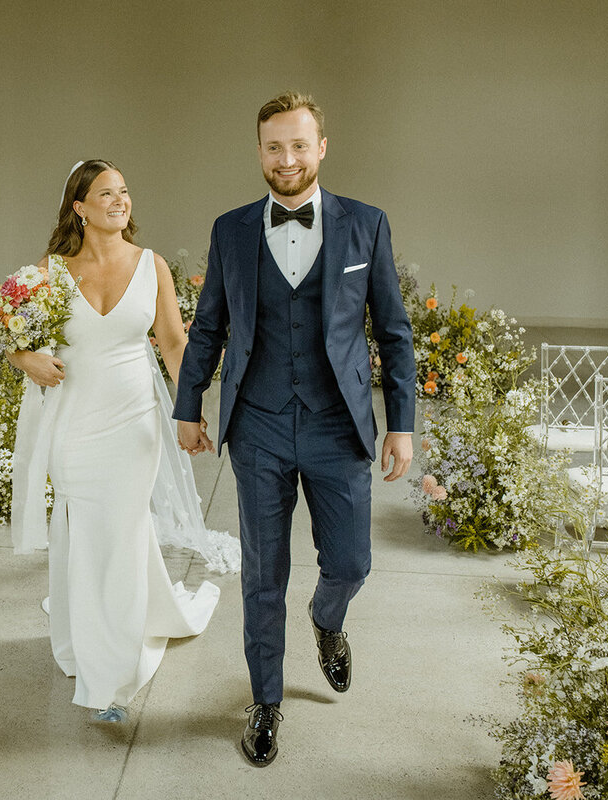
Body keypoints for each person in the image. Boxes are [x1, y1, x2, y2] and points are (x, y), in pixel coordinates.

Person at [174, 92, 416, 766]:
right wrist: (187, 406)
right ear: (260, 152)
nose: (287, 159)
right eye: (274, 147)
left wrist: (402, 425)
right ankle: (266, 701)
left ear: (321, 148)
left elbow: (393, 332)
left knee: (350, 563)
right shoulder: (230, 230)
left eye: (299, 145)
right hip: (258, 427)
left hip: (340, 427)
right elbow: (209, 328)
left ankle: (327, 621)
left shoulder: (365, 224)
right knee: (261, 575)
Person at [8, 159, 226, 723]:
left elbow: (175, 345)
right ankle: (95, 640)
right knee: (87, 528)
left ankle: (112, 678)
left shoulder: (152, 266)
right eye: (106, 194)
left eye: (124, 192)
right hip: (74, 424)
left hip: (134, 423)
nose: (120, 201)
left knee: (125, 528)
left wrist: (192, 411)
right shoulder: (49, 273)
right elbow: (12, 337)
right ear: (79, 208)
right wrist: (26, 358)